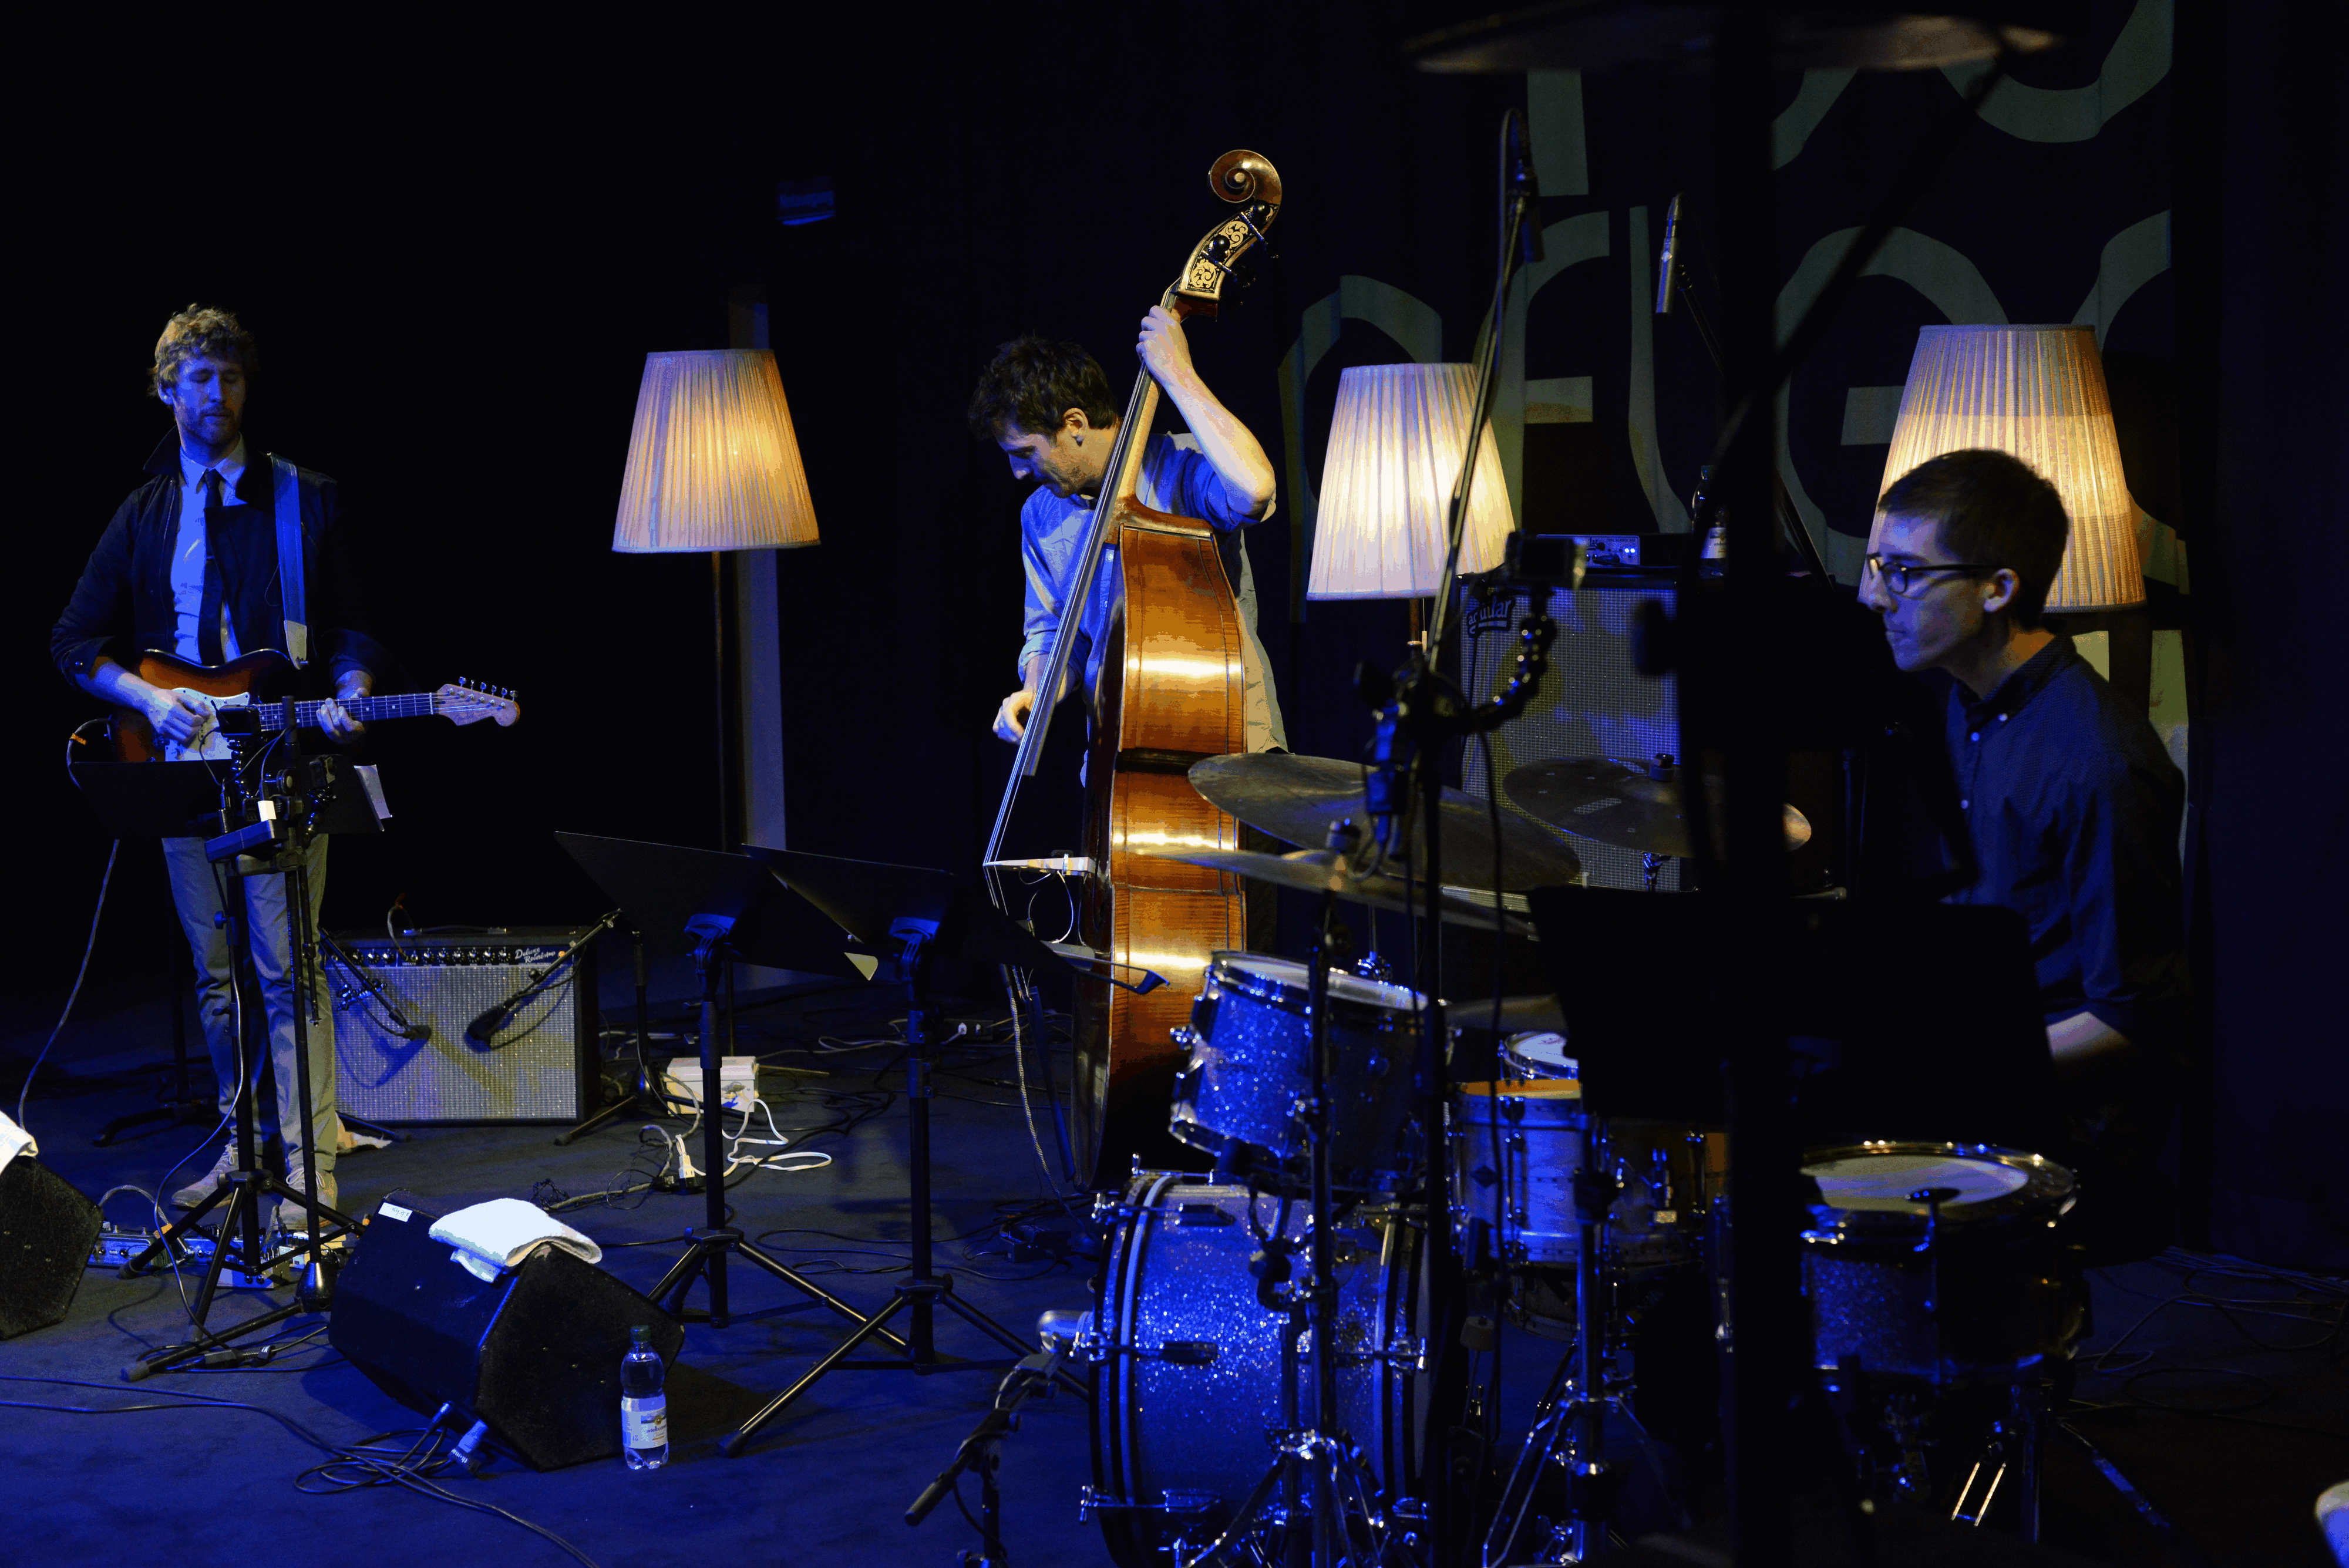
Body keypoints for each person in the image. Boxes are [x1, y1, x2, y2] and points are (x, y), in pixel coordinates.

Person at [51, 304, 388, 1227]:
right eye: (199, 378)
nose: (218, 393)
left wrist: (354, 683)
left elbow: (354, 623)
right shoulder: (145, 511)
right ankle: (243, 1154)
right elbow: (74, 638)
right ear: (168, 390)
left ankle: (310, 1172)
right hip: (182, 761)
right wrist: (152, 700)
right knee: (214, 972)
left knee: (289, 970)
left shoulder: (303, 496)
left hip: (279, 756)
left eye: (231, 376)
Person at [1861, 447, 2188, 1257]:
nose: (1876, 597)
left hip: (2068, 1123)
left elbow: (2134, 1018)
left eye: (1904, 572)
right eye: (1875, 567)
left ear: (1998, 588)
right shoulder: (1964, 705)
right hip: (1993, 1069)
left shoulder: (2097, 759)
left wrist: (1959, 1066)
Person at [968, 310, 1286, 755]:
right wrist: (1037, 691)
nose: (1018, 472)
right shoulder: (1039, 515)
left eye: (1025, 452)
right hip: (1115, 755)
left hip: (1226, 738)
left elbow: (1254, 490)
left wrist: (1178, 375)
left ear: (1074, 425)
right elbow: (1053, 633)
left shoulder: (1184, 467)